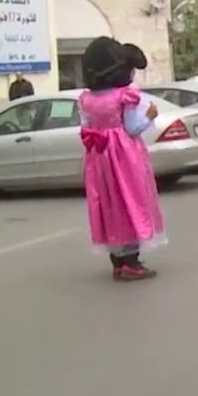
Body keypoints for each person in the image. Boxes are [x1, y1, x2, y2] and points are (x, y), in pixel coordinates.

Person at [78, 37, 164, 281]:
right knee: (131, 200)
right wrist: (149, 116)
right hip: (124, 155)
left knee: (109, 204)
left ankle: (117, 262)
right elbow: (132, 128)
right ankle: (132, 262)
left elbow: (85, 127)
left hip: (99, 156)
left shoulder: (86, 99)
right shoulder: (124, 96)